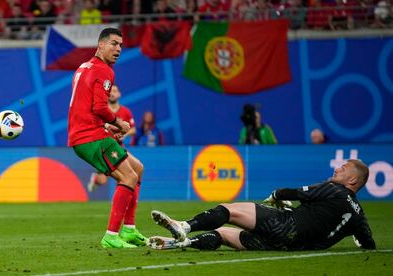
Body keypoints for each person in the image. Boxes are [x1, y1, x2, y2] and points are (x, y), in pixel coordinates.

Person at [149, 159, 376, 251]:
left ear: (352, 180)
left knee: (229, 210)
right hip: (291, 247)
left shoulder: (334, 189)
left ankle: (185, 227)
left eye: (343, 169)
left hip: (287, 226)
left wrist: (276, 194)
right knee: (222, 234)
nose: (337, 169)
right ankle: (180, 243)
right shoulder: (358, 215)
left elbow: (295, 192)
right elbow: (368, 244)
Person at [68, 27, 147, 249]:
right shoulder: (104, 70)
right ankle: (111, 236)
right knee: (129, 178)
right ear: (100, 44)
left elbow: (83, 107)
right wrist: (118, 123)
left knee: (137, 169)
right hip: (89, 137)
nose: (118, 49)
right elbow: (100, 106)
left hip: (88, 132)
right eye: (114, 43)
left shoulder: (83, 67)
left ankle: (129, 229)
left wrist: (105, 126)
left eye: (121, 45)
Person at [87, 84, 137, 192]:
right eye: (110, 91)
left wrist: (125, 135)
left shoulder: (126, 111)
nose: (112, 93)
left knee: (126, 176)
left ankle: (120, 198)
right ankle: (96, 179)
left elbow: (133, 129)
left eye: (115, 91)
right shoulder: (102, 111)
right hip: (104, 148)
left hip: (119, 147)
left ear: (119, 94)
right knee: (104, 180)